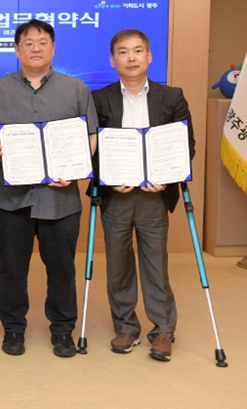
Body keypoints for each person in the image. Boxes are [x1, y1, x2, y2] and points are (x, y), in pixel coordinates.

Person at [0, 19, 98, 358]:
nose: (35, 48)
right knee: (12, 268)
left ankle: (62, 330)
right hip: (11, 198)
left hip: (60, 198)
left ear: (53, 49)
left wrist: (75, 168)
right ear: (17, 50)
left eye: (43, 42)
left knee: (61, 268)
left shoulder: (76, 89)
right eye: (28, 43)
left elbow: (91, 135)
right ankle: (13, 329)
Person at [92, 29, 194, 362]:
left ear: (149, 56)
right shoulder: (99, 98)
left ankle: (163, 329)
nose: (131, 57)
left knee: (155, 263)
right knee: (118, 264)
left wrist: (167, 178)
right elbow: (90, 147)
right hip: (116, 196)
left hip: (154, 195)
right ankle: (126, 326)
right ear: (113, 60)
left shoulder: (172, 97)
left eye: (138, 51)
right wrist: (107, 179)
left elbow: (186, 144)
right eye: (123, 52)